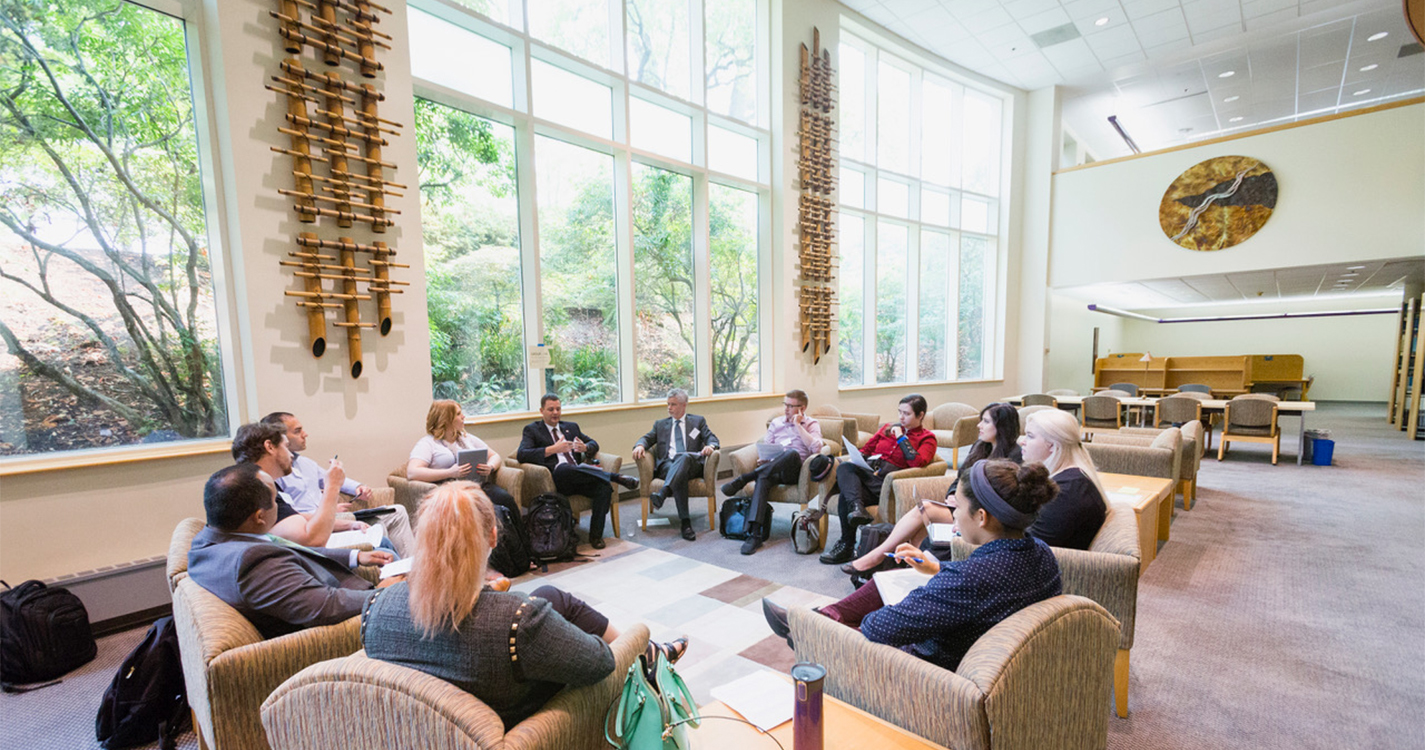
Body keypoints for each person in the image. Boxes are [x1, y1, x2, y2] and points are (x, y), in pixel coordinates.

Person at [361, 482, 685, 729]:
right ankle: (649, 652)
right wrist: (636, 639)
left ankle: (651, 652)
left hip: (429, 729)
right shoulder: (517, 622)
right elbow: (600, 664)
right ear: (492, 536)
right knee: (604, 637)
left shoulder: (375, 606)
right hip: (519, 726)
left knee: (550, 595)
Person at [762, 459, 1062, 671]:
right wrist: (936, 570)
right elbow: (983, 593)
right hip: (985, 653)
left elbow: (879, 628)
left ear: (982, 517)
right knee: (901, 577)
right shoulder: (1040, 553)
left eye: (956, 505)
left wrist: (932, 586)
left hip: (927, 673)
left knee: (852, 624)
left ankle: (808, 628)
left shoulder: (968, 579)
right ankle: (816, 619)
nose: (952, 513)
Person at [187, 463, 398, 638]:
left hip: (333, 591)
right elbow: (324, 607)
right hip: (341, 628)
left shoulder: (208, 542)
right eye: (275, 499)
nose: (280, 505)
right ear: (259, 516)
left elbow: (294, 551)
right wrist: (383, 594)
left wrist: (357, 556)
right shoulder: (253, 562)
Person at [838, 402, 1023, 578]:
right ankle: (916, 570)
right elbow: (960, 478)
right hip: (960, 505)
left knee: (924, 509)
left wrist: (962, 501)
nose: (979, 425)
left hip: (981, 513)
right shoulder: (980, 447)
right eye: (981, 419)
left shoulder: (1014, 457)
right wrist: (952, 494)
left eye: (986, 421)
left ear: (1002, 426)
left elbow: (999, 494)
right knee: (919, 528)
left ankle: (877, 556)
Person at [261, 411, 416, 558]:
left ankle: (410, 566)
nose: (305, 434)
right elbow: (292, 517)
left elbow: (332, 478)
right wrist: (330, 507)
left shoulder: (305, 463)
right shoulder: (273, 476)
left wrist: (357, 487)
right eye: (297, 431)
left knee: (397, 510)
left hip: (329, 514)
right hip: (317, 520)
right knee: (378, 525)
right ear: (279, 439)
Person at [819, 394, 938, 565]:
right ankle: (853, 521)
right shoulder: (887, 429)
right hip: (871, 477)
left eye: (907, 414)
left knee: (848, 492)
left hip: (890, 485)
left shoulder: (927, 438)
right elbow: (867, 449)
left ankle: (847, 543)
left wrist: (901, 438)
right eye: (899, 412)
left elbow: (917, 462)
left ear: (920, 415)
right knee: (845, 471)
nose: (901, 417)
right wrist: (857, 458)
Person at [517, 394, 638, 550]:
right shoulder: (532, 430)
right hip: (557, 479)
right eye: (551, 409)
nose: (555, 413)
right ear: (542, 411)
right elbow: (522, 454)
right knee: (565, 468)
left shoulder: (571, 427)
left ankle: (596, 536)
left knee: (604, 488)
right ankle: (616, 477)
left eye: (558, 409)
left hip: (580, 476)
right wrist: (553, 449)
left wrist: (585, 448)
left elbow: (594, 443)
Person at [718, 389, 826, 555]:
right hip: (773, 468)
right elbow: (767, 446)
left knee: (791, 453)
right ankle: (754, 534)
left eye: (791, 406)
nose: (786, 409)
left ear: (802, 408)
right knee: (763, 477)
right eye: (785, 405)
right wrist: (765, 459)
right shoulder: (776, 423)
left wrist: (798, 425)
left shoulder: (811, 424)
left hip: (795, 472)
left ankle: (746, 477)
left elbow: (816, 447)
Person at [232, 422, 369, 549]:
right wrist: (332, 487)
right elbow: (313, 541)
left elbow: (295, 517)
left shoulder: (259, 482)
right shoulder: (254, 490)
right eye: (286, 447)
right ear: (270, 447)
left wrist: (350, 525)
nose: (291, 455)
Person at [632, 388, 720, 541]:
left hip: (691, 463)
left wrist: (711, 446)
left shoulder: (697, 421)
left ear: (684, 405)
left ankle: (663, 493)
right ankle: (685, 523)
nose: (669, 408)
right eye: (668, 404)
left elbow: (713, 439)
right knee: (680, 474)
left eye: (673, 405)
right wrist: (640, 445)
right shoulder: (660, 425)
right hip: (667, 465)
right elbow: (646, 438)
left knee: (684, 458)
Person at [406, 400, 519, 516]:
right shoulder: (428, 443)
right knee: (491, 510)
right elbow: (412, 472)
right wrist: (449, 473)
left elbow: (495, 456)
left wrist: (490, 467)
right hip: (452, 491)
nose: (463, 416)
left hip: (477, 486)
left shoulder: (466, 438)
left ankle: (520, 534)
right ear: (446, 419)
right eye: (459, 414)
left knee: (506, 499)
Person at [1018, 409, 1108, 550]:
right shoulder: (1071, 478)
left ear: (1053, 446)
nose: (1022, 442)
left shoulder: (1066, 492)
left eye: (1029, 436)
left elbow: (1030, 548)